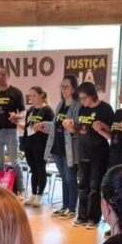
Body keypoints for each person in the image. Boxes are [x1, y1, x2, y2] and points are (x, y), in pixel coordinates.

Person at [69, 81, 114, 229]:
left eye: (84, 98)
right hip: (83, 151)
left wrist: (102, 127)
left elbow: (111, 134)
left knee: (95, 186)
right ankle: (81, 215)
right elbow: (80, 130)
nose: (82, 101)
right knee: (82, 185)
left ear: (93, 95)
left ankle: (93, 218)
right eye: (80, 99)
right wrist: (72, 128)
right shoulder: (82, 109)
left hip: (98, 153)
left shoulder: (105, 109)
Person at [0, 67, 26, 194]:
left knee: (15, 161)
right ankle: (0, 189)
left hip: (11, 132)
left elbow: (24, 111)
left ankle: (20, 188)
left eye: (3, 74)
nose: (0, 77)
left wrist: (17, 116)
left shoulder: (16, 92)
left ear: (8, 76)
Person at [44, 75, 80, 218]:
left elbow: (77, 127)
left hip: (69, 148)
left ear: (73, 89)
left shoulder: (77, 106)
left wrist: (72, 127)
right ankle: (65, 206)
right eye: (62, 86)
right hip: (58, 146)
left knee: (71, 178)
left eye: (67, 87)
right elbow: (55, 124)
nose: (63, 89)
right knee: (64, 178)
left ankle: (72, 208)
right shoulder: (60, 104)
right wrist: (44, 125)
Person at [22, 86, 54, 207]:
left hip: (41, 145)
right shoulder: (30, 111)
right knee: (33, 170)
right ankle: (33, 194)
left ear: (41, 96)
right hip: (29, 145)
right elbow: (26, 128)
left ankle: (40, 196)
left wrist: (41, 128)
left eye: (34, 95)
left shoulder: (48, 111)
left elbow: (52, 130)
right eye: (30, 96)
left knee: (41, 170)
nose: (31, 98)